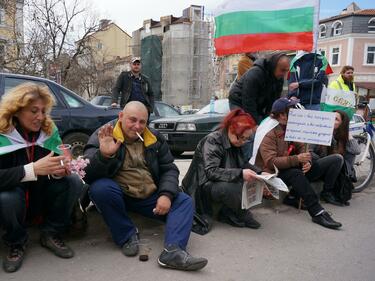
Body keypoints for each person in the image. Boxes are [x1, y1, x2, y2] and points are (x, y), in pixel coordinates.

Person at [83, 101, 207, 271]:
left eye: (142, 122)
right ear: (120, 117)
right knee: (100, 189)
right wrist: (103, 155)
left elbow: (169, 169)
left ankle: (173, 251)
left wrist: (166, 195)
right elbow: (87, 175)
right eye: (132, 120)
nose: (137, 126)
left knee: (184, 201)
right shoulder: (104, 135)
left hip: (149, 196)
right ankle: (127, 236)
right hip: (120, 195)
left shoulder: (154, 138)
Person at [0, 83, 81, 273]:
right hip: (13, 200)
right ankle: (16, 242)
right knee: (6, 197)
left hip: (40, 197)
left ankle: (51, 233)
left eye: (43, 111)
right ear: (17, 110)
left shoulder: (47, 132)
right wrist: (32, 169)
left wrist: (59, 169)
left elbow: (56, 162)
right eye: (34, 110)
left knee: (72, 182)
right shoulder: (3, 133)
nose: (40, 117)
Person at [254, 97, 343, 229]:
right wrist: (297, 159)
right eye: (291, 111)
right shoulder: (269, 132)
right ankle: (317, 212)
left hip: (288, 167)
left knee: (319, 162)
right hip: (272, 173)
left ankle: (293, 197)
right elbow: (271, 162)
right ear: (282, 115)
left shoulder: (289, 126)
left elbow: (301, 146)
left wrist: (306, 161)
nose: (295, 113)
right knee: (295, 173)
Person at [182, 109, 261, 231]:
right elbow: (211, 171)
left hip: (215, 182)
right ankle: (240, 214)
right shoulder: (213, 140)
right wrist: (240, 173)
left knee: (249, 180)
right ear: (230, 129)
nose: (243, 142)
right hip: (201, 186)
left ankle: (229, 212)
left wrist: (260, 173)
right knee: (231, 187)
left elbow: (243, 163)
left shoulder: (235, 142)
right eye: (241, 138)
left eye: (246, 139)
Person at [311, 110, 361, 203]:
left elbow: (357, 150)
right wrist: (325, 160)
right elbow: (309, 152)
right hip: (316, 168)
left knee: (350, 154)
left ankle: (344, 182)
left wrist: (347, 134)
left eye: (336, 119)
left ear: (342, 123)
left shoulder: (342, 137)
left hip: (332, 172)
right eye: (331, 118)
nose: (332, 121)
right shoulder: (320, 131)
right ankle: (327, 192)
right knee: (337, 158)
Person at [228, 52, 289, 124]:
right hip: (239, 100)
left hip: (258, 102)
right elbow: (248, 103)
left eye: (286, 70)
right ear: (273, 66)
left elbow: (273, 103)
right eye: (282, 70)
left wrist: (267, 121)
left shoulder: (279, 78)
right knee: (246, 126)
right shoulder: (255, 74)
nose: (285, 74)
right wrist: (259, 124)